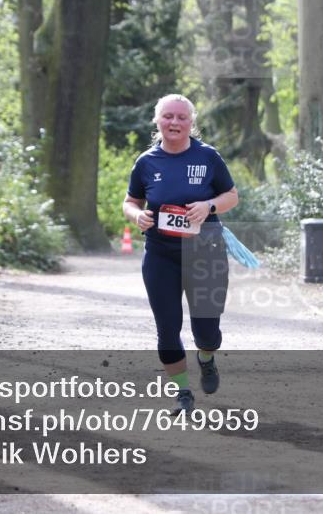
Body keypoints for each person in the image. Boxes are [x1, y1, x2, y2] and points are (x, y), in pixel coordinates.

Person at [122, 95, 239, 415]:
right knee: (167, 327)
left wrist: (208, 206)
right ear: (157, 121)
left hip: (205, 251)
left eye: (181, 118)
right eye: (168, 117)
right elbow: (130, 201)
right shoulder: (146, 162)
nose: (174, 123)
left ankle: (206, 357)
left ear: (191, 122)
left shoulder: (208, 157)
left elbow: (231, 196)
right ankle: (183, 392)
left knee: (207, 331)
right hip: (161, 253)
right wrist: (137, 216)